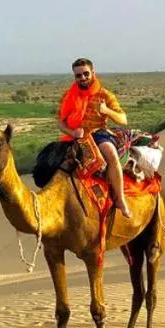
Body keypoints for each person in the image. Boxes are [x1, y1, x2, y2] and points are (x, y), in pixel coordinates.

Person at [58, 57, 131, 218]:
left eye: (86, 74)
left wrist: (106, 111)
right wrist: (72, 133)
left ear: (93, 72)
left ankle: (120, 199)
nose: (83, 78)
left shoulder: (105, 95)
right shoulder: (69, 95)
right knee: (49, 162)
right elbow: (61, 123)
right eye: (78, 75)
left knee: (111, 155)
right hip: (76, 136)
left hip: (98, 134)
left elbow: (123, 119)